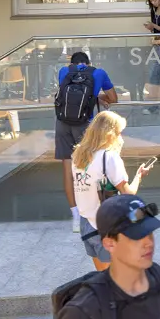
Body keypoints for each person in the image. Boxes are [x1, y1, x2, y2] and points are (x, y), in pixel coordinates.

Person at [55, 194, 160, 319]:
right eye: (136, 236)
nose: (148, 243)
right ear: (110, 244)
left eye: (149, 233)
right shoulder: (84, 310)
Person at [71, 111, 152, 272]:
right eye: (119, 132)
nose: (121, 136)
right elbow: (128, 194)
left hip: (87, 223)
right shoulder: (110, 157)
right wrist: (139, 176)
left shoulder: (78, 155)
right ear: (111, 134)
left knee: (103, 278)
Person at [58, 51, 118, 233]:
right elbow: (113, 98)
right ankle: (97, 213)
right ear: (89, 62)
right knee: (94, 166)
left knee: (68, 168)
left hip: (62, 123)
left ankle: (76, 217)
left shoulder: (63, 71)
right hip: (85, 125)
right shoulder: (98, 73)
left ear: (73, 62)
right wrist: (99, 97)